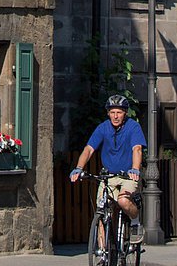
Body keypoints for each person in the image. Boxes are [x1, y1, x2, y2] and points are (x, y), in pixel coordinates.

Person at [69, 94, 147, 244]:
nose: (115, 116)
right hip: (108, 176)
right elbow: (89, 149)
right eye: (112, 112)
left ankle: (135, 222)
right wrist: (79, 168)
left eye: (119, 112)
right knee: (102, 211)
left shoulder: (133, 127)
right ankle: (102, 252)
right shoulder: (103, 128)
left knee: (123, 201)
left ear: (125, 113)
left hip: (128, 176)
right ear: (108, 113)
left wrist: (135, 169)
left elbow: (137, 149)